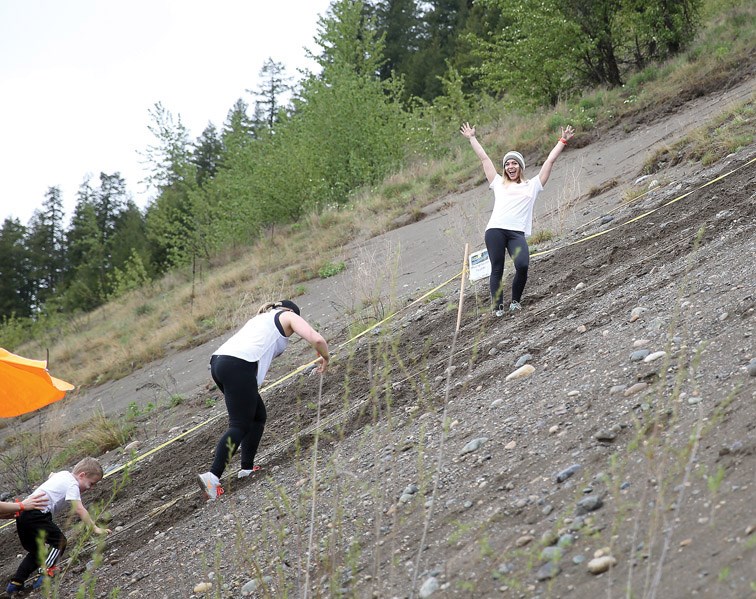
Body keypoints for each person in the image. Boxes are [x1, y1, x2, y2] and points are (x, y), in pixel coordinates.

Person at [197, 300, 330, 501]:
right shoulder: (288, 315)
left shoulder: (261, 319)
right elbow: (316, 339)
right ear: (290, 310)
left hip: (219, 363)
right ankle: (212, 477)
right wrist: (326, 357)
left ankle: (247, 468)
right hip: (238, 365)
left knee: (257, 416)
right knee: (239, 424)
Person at [460, 121, 575, 315]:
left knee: (522, 264)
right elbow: (485, 159)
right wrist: (472, 138)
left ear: (520, 167)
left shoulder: (533, 185)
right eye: (507, 164)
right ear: (505, 169)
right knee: (497, 267)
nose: (510, 166)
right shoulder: (498, 183)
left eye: (514, 163)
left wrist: (562, 141)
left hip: (516, 233)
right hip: (495, 230)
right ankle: (498, 307)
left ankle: (515, 301)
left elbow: (549, 162)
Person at [6, 457, 111, 594]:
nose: (90, 488)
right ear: (82, 475)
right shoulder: (72, 484)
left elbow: (52, 475)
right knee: (59, 541)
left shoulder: (63, 474)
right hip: (36, 513)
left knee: (37, 552)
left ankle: (15, 583)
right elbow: (79, 509)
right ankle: (46, 573)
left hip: (22, 514)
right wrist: (95, 528)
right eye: (91, 484)